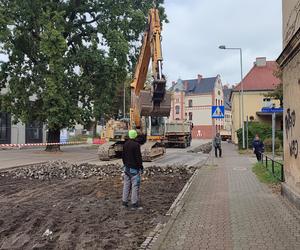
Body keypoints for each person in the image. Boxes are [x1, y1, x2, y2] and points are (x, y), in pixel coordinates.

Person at [122, 129, 143, 210]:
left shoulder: (125, 144)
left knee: (126, 185)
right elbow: (138, 158)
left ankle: (124, 202)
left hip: (126, 168)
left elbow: (123, 157)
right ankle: (134, 204)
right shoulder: (136, 145)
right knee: (135, 186)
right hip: (134, 169)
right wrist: (140, 167)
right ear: (135, 135)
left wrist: (125, 165)